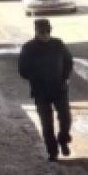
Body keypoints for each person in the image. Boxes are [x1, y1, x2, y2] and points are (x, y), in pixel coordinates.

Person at [17, 18, 74, 162]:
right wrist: (34, 78)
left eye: (47, 32)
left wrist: (65, 77)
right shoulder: (28, 48)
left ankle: (63, 139)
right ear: (36, 32)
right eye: (42, 33)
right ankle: (52, 151)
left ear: (50, 31)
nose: (44, 35)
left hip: (59, 88)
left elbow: (68, 61)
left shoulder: (58, 44)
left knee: (65, 118)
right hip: (40, 91)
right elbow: (22, 69)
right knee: (46, 123)